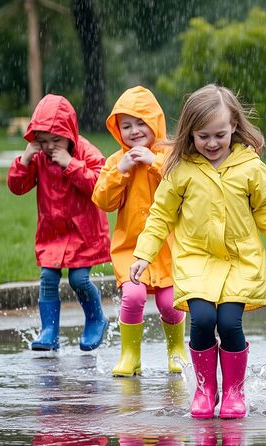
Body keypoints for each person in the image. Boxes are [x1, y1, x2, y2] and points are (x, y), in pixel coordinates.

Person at [129, 84, 266, 419]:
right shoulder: (181, 170)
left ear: (234, 125)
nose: (211, 143)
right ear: (190, 133)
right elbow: (161, 215)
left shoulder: (250, 167)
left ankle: (234, 392)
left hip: (239, 262)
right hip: (196, 261)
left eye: (219, 134)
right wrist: (143, 254)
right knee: (204, 320)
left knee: (230, 323)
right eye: (202, 136)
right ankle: (206, 389)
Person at [92, 86, 188, 376]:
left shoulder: (170, 155)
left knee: (170, 304)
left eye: (140, 123)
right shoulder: (115, 162)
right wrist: (120, 170)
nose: (134, 131)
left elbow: (184, 184)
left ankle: (176, 350)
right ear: (117, 130)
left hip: (166, 248)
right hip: (130, 250)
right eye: (126, 126)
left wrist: (154, 162)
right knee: (133, 297)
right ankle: (130, 355)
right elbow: (103, 201)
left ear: (155, 122)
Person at [8, 94, 110, 352]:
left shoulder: (86, 152)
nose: (50, 147)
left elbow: (100, 186)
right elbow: (18, 187)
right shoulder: (39, 156)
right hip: (53, 232)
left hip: (82, 231)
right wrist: (26, 159)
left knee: (79, 279)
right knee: (48, 278)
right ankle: (49, 330)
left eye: (56, 140)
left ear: (70, 134)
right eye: (42, 141)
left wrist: (71, 163)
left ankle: (96, 318)